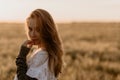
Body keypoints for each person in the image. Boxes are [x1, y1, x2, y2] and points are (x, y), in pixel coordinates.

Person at [14, 9, 63, 80]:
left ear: (47, 31)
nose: (33, 34)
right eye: (30, 29)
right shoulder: (48, 53)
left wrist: (21, 56)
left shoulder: (42, 55)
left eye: (38, 29)